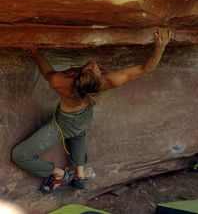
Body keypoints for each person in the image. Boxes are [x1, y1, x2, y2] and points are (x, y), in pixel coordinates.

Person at [12, 28, 171, 193]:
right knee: (79, 132)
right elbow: (145, 68)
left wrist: (34, 50)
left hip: (64, 123)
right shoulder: (106, 82)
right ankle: (80, 175)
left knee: (20, 155)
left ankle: (59, 174)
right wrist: (159, 49)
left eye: (94, 70)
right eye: (93, 70)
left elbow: (47, 73)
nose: (95, 65)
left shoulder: (59, 81)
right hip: (85, 116)